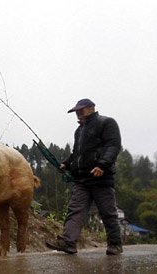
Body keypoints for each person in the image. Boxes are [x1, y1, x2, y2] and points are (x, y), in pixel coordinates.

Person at [46, 98, 123, 255]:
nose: (78, 114)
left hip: (101, 177)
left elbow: (113, 145)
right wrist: (66, 164)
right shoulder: (79, 130)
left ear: (92, 108)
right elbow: (77, 153)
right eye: (76, 112)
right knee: (75, 210)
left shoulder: (107, 123)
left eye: (81, 111)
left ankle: (115, 244)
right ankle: (68, 242)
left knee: (107, 212)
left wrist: (102, 165)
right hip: (81, 179)